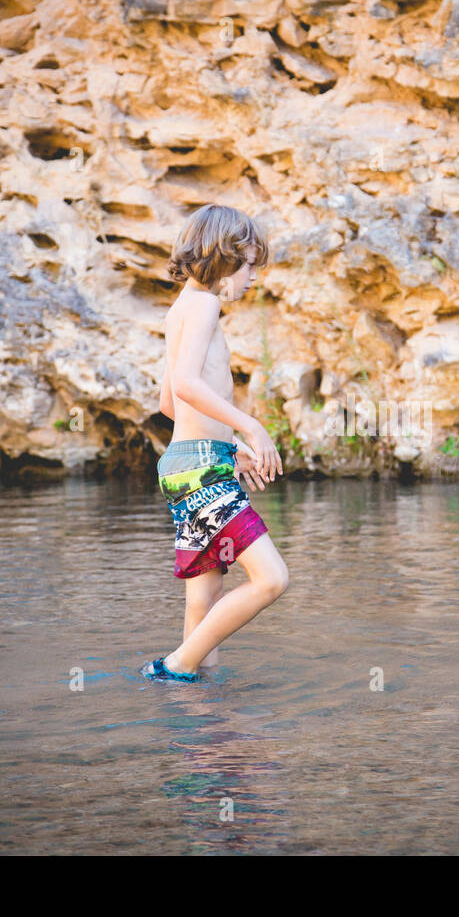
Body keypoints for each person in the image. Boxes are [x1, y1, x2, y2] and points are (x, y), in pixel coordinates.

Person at [145, 204, 289, 681]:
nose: (252, 276)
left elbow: (169, 403)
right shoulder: (205, 304)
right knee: (271, 579)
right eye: (248, 264)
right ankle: (174, 665)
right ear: (222, 256)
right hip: (202, 471)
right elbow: (185, 385)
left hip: (186, 466)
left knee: (201, 605)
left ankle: (200, 714)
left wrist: (229, 448)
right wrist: (252, 427)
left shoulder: (180, 309)